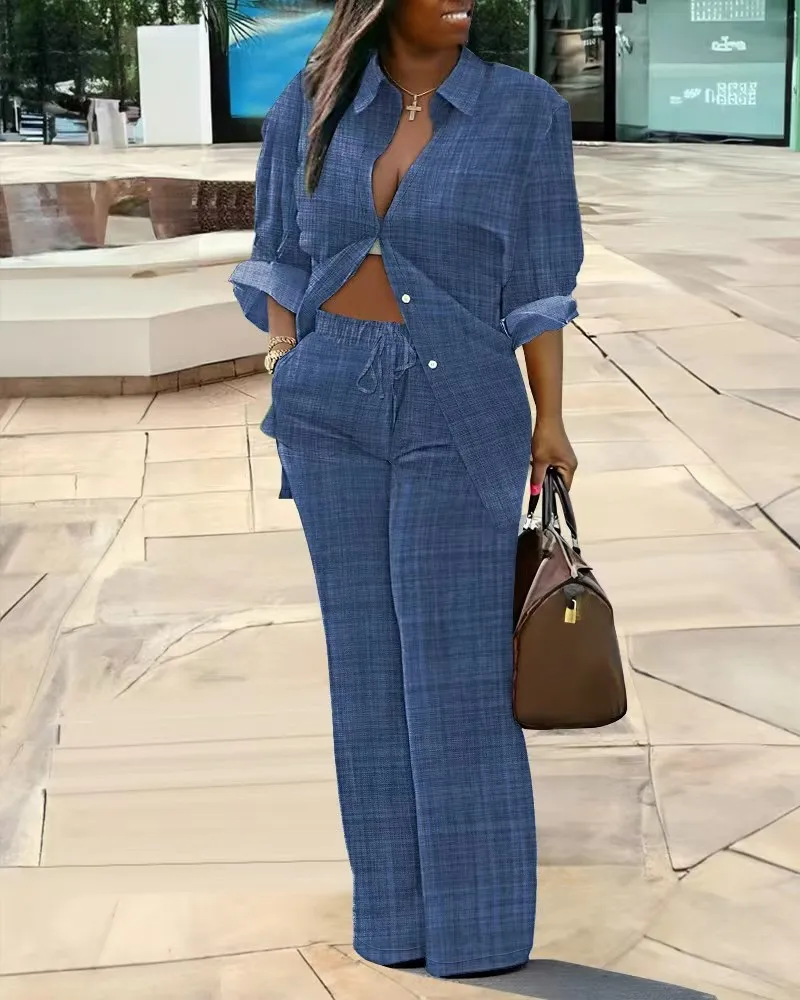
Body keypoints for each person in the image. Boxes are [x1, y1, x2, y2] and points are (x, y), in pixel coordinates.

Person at [230, 0, 583, 980]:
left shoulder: (525, 112)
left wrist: (551, 419)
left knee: (458, 676)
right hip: (329, 402)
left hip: (461, 404)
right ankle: (390, 921)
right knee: (365, 673)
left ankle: (478, 933)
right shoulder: (312, 104)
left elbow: (538, 284)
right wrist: (285, 363)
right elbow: (279, 253)